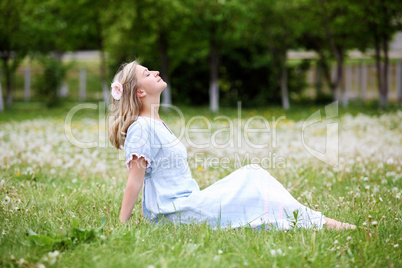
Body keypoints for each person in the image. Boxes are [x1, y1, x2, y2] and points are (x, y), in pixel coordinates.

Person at [108, 60, 356, 231]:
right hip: (173, 213)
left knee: (253, 176)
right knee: (252, 181)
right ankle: (321, 223)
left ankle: (314, 220)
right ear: (140, 92)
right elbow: (135, 179)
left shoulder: (156, 123)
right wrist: (121, 225)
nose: (154, 72)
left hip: (187, 203)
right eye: (146, 73)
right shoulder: (141, 127)